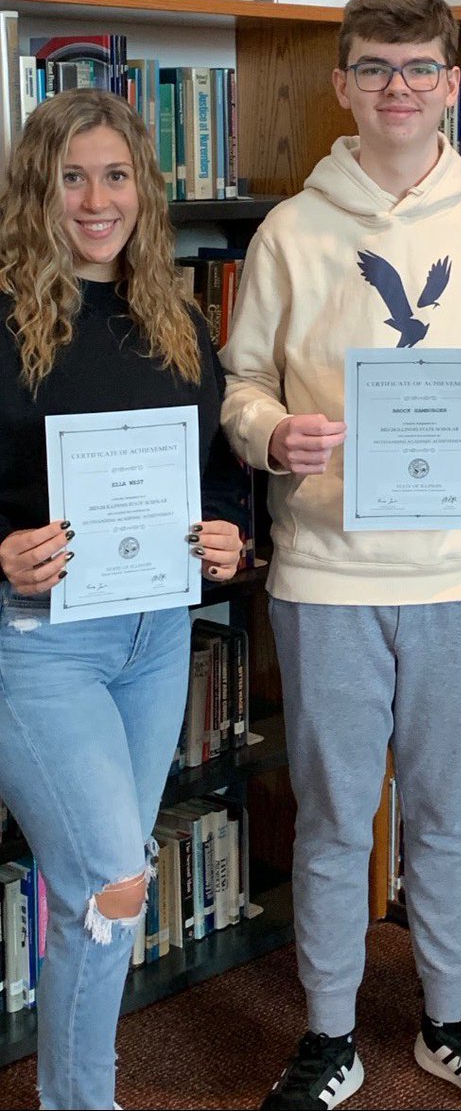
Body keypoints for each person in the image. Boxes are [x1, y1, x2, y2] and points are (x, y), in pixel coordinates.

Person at [220, 0, 461, 1111]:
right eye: (374, 68)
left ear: (453, 85)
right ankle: (328, 1035)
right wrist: (271, 433)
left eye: (419, 68)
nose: (398, 88)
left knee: (442, 814)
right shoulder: (291, 230)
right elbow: (243, 382)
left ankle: (449, 1021)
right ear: (342, 83)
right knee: (331, 820)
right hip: (327, 576)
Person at [0, 87, 244, 1111]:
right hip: (40, 642)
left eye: (115, 177)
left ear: (142, 187)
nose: (96, 202)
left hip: (155, 638)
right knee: (112, 881)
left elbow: (218, 469)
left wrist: (230, 531)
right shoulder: (5, 320)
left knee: (102, 894)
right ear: (37, 188)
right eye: (72, 178)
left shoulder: (174, 317)